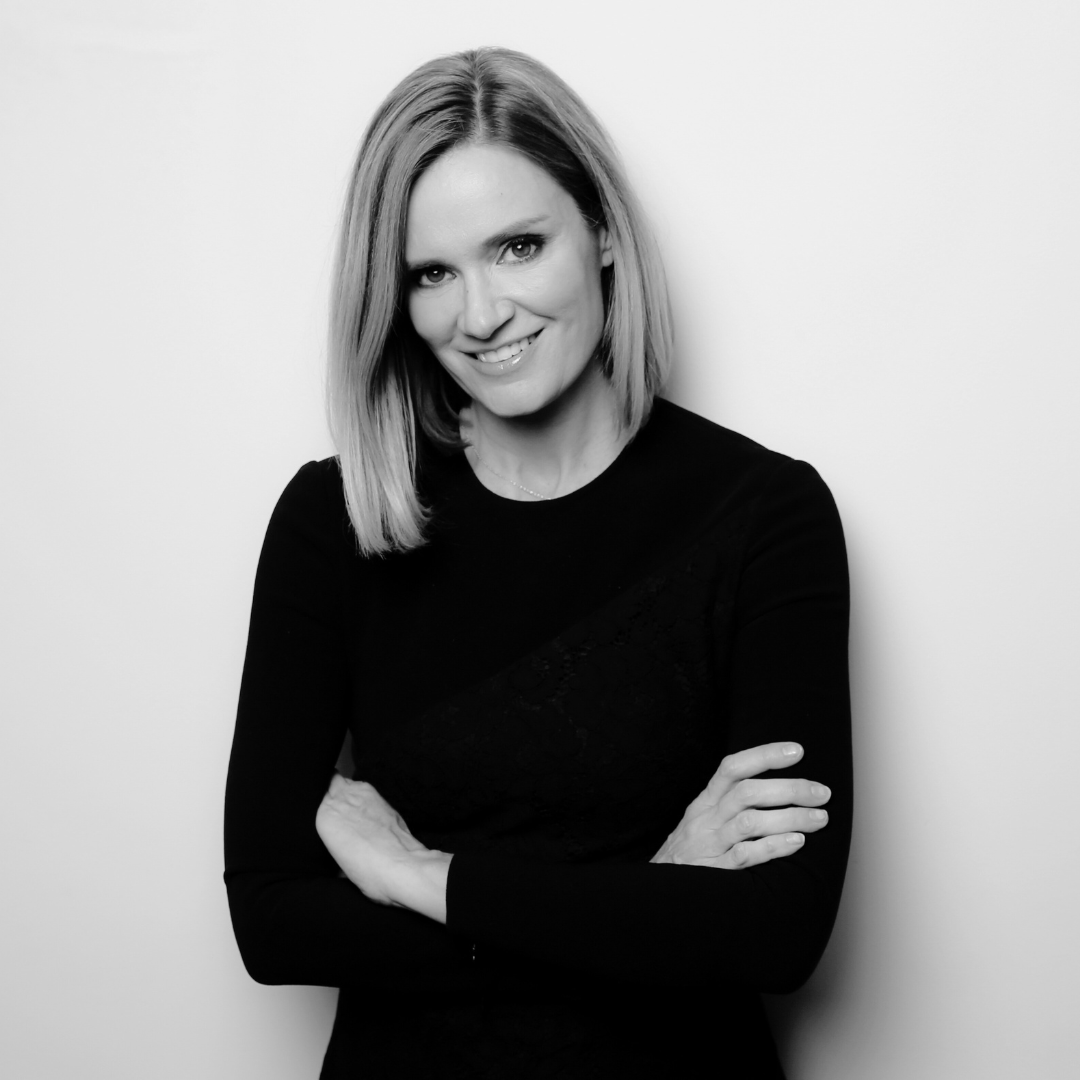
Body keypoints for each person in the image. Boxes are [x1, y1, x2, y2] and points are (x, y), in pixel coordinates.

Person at [224, 46, 851, 1080]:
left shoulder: (764, 515)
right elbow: (275, 924)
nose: (479, 316)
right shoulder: (330, 522)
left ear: (602, 232)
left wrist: (423, 877)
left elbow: (775, 935)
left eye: (517, 247)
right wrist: (649, 895)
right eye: (432, 273)